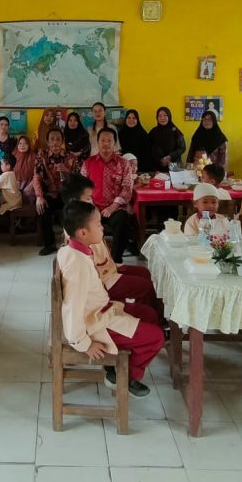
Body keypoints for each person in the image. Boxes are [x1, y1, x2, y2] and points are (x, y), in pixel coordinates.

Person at [58, 201, 164, 398]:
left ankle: (117, 363)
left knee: (149, 314)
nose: (102, 227)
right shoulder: (77, 264)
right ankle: (124, 377)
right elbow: (71, 308)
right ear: (83, 232)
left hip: (101, 310)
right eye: (98, 224)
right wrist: (84, 344)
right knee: (156, 337)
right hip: (94, 324)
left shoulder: (76, 250)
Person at [62, 175, 162, 320]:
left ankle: (145, 313)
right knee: (145, 286)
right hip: (103, 280)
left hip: (107, 268)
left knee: (144, 273)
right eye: (88, 198)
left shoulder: (80, 221)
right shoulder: (81, 232)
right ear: (74, 202)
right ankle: (149, 317)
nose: (92, 202)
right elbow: (95, 270)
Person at [80, 128, 135, 261]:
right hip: (92, 207)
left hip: (115, 208)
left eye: (109, 140)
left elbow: (127, 187)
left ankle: (116, 260)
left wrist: (112, 207)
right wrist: (91, 206)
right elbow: (82, 188)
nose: (106, 143)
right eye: (103, 140)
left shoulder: (124, 163)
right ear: (97, 142)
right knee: (81, 219)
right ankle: (90, 258)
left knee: (123, 221)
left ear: (114, 143)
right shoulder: (88, 163)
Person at [33, 127, 78, 256]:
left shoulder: (71, 157)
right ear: (48, 142)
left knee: (74, 209)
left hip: (68, 194)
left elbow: (79, 179)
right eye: (52, 139)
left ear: (62, 141)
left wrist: (67, 171)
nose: (55, 143)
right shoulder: (41, 157)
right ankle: (50, 244)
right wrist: (39, 196)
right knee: (42, 209)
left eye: (58, 139)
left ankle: (72, 243)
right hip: (50, 194)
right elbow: (36, 177)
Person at [148, 106, 185, 171]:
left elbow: (182, 148)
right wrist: (160, 158)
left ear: (169, 117)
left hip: (174, 165)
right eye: (160, 116)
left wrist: (170, 156)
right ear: (157, 118)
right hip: (157, 165)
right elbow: (149, 147)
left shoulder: (175, 131)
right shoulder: (153, 131)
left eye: (165, 115)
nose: (162, 118)